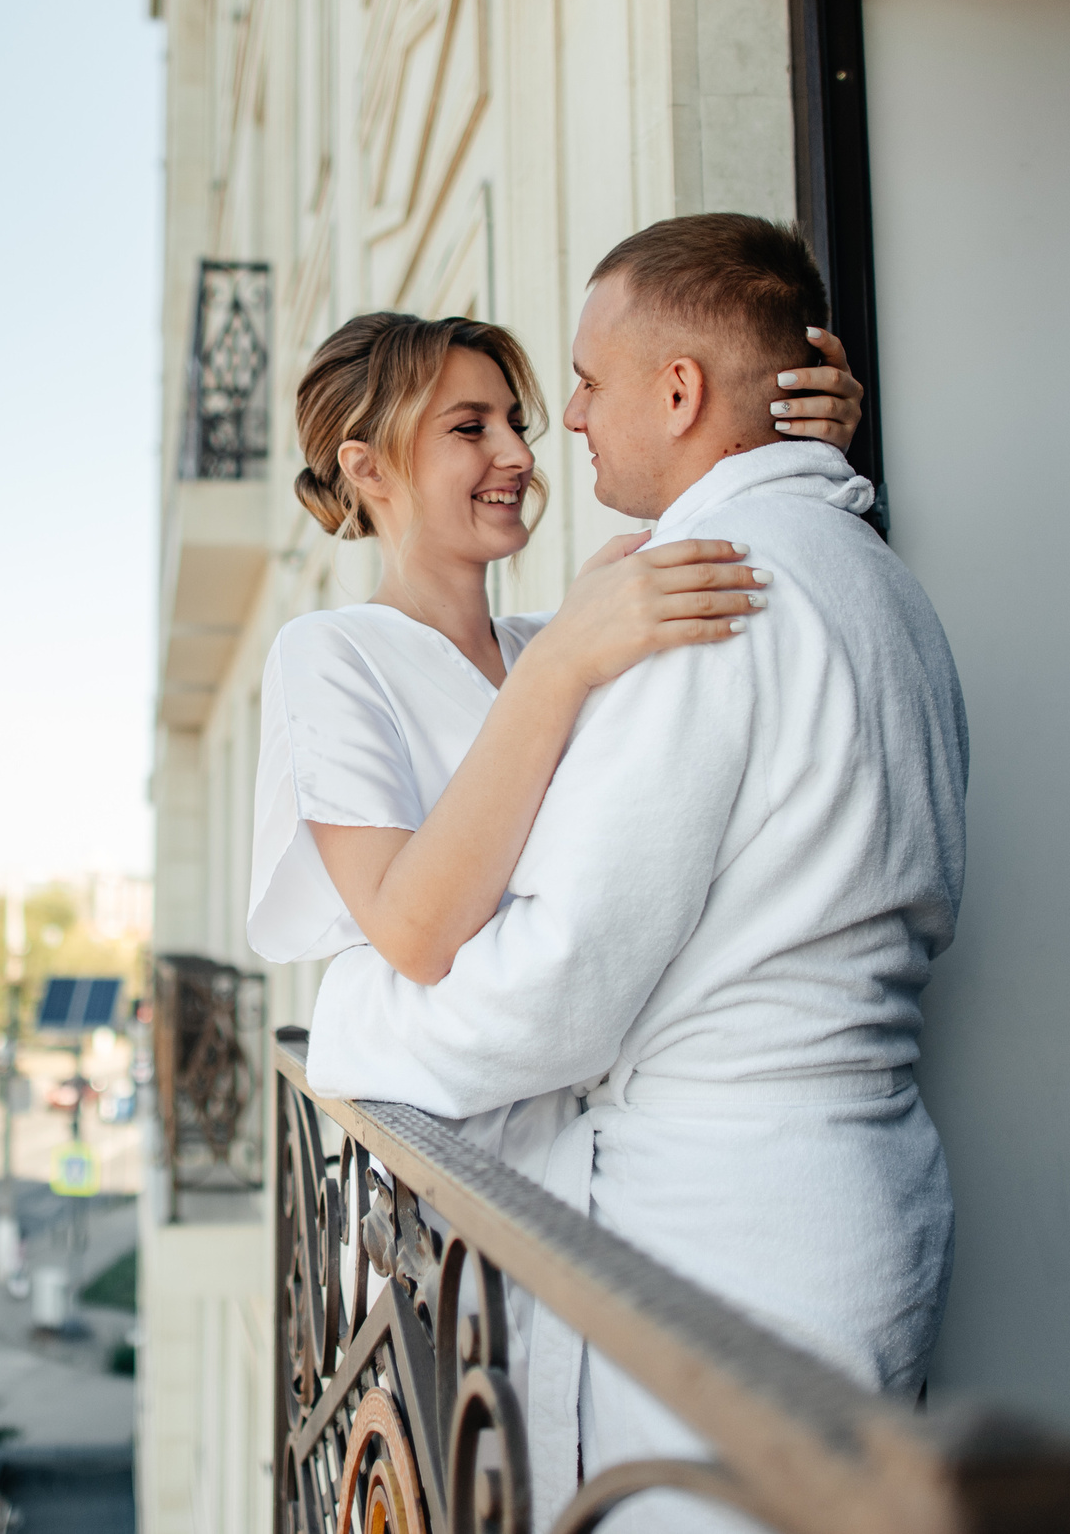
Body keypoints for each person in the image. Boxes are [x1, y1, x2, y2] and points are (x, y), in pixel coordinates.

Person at [269, 213, 968, 1532]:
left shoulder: (679, 597)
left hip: (726, 1222)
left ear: (682, 392)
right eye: (473, 425)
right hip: (785, 1192)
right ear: (369, 468)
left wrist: (346, 1014)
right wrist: (793, 458)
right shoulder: (863, 578)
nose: (552, 435)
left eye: (563, 396)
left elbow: (557, 983)